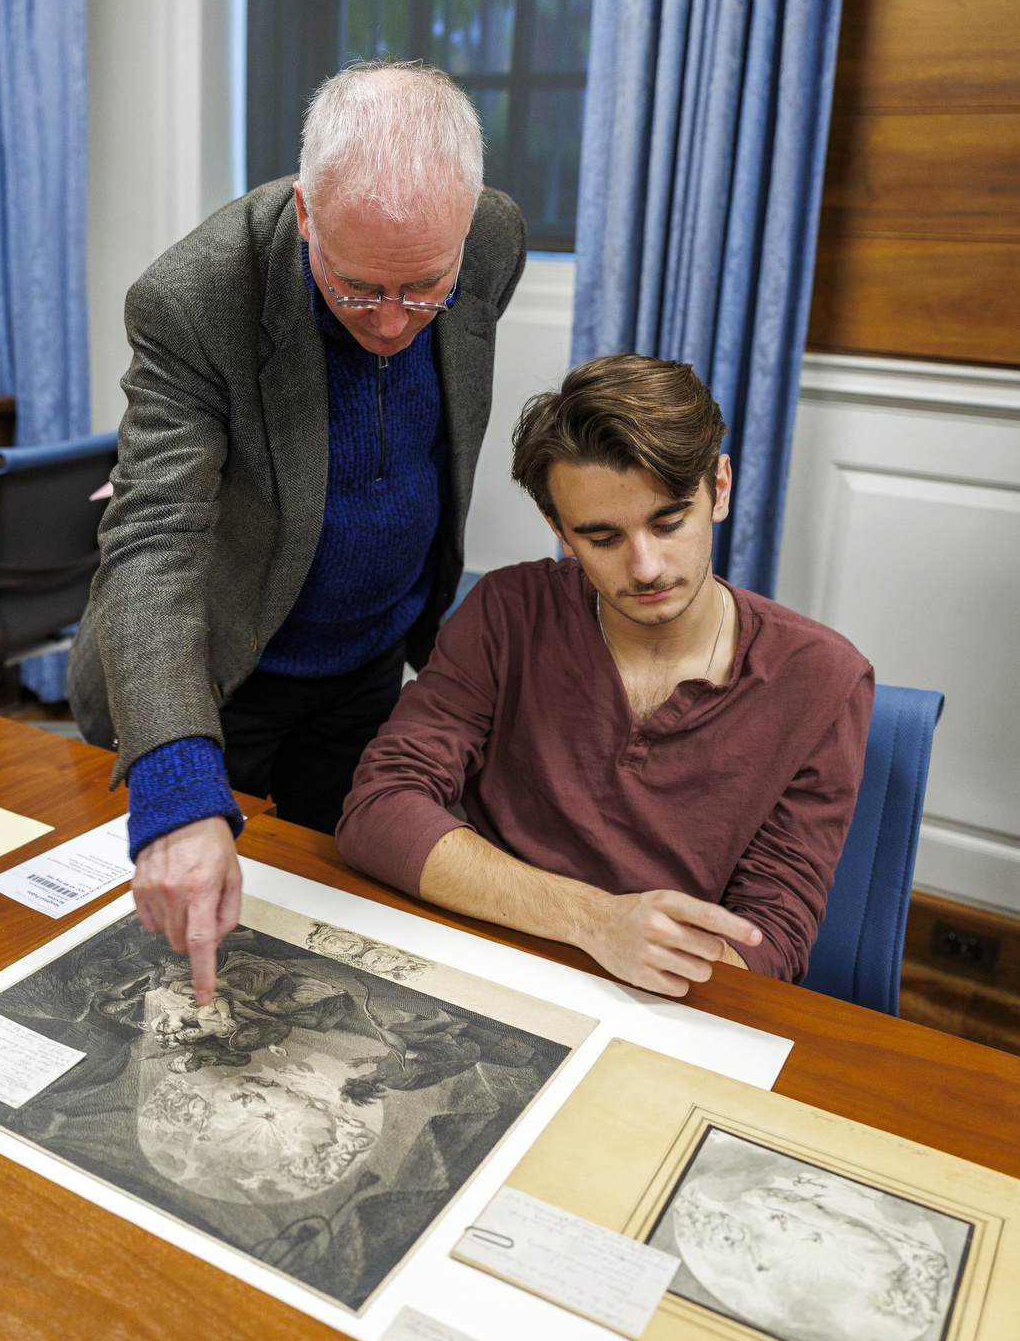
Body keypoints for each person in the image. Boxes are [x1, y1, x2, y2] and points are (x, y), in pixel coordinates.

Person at [71, 62, 527, 1002]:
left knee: (338, 937)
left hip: (371, 657)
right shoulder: (195, 298)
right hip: (222, 674)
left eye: (424, 286)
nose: (396, 324)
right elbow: (152, 538)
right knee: (185, 952)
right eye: (359, 290)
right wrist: (177, 792)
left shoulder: (491, 240)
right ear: (307, 215)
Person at [336, 355, 874, 994]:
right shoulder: (509, 612)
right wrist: (595, 920)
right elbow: (378, 809)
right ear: (558, 529)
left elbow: (770, 946)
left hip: (657, 997)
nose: (645, 568)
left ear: (720, 489)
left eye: (669, 522)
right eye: (602, 538)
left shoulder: (825, 680)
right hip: (478, 954)